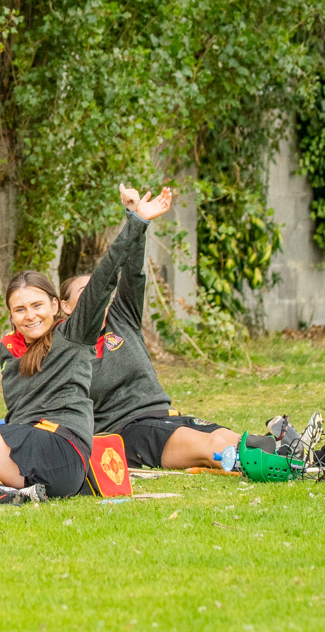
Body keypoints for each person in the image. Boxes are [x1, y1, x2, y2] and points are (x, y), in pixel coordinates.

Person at [0, 187, 173, 504]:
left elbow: (105, 277)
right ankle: (19, 495)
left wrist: (136, 221)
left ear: (56, 305)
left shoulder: (73, 333)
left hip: (62, 446)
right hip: (32, 454)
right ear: (11, 316)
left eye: (37, 305)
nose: (30, 315)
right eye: (20, 309)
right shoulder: (10, 350)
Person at [60, 185, 240, 469]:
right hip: (129, 430)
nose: (96, 295)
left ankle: (306, 455)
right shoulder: (69, 340)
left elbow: (132, 273)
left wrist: (135, 217)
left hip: (165, 415)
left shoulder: (122, 318)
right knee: (216, 448)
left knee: (233, 437)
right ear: (65, 306)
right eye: (85, 291)